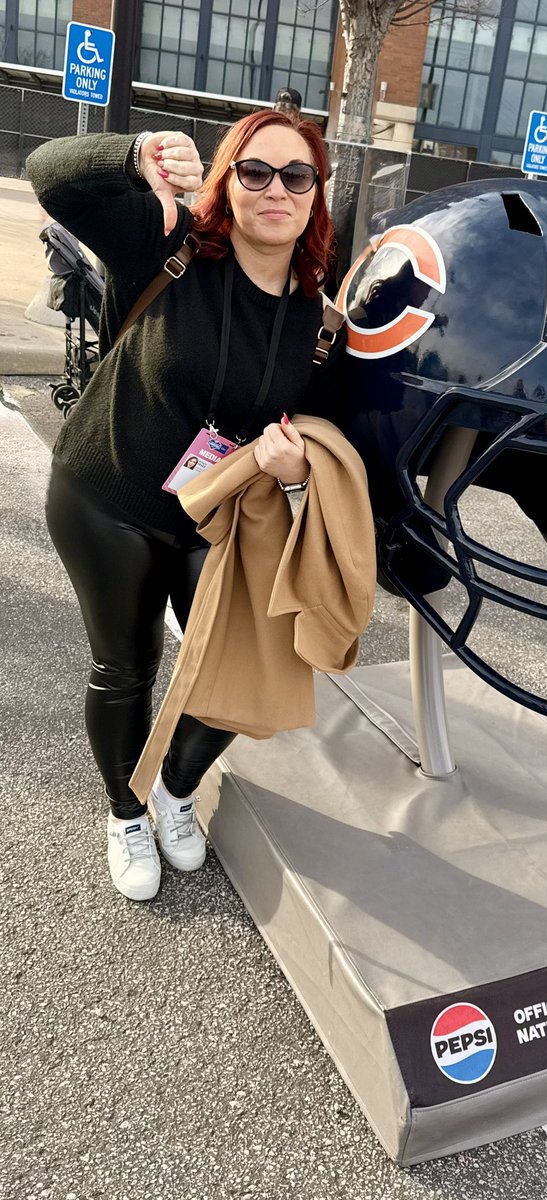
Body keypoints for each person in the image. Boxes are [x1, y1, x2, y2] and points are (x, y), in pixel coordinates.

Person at [27, 110, 342, 902]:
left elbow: (325, 440)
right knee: (125, 666)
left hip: (211, 516)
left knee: (247, 667)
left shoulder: (316, 316)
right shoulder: (167, 247)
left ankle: (171, 787)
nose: (276, 188)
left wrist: (300, 473)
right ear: (226, 180)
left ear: (315, 197)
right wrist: (133, 154)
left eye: (295, 175)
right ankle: (125, 811)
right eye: (255, 171)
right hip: (107, 496)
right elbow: (49, 174)